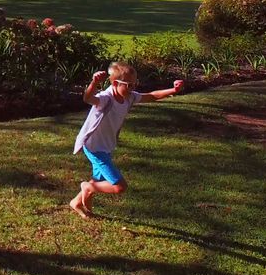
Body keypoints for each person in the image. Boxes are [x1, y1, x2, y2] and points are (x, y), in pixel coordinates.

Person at [68, 61, 183, 219]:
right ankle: (87, 188)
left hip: (106, 147)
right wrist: (94, 82)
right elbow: (88, 98)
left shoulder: (129, 98)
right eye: (128, 85)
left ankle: (76, 202)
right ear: (115, 83)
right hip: (94, 147)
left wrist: (174, 90)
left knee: (98, 179)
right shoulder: (105, 98)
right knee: (119, 187)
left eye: (134, 84)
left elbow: (151, 96)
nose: (132, 88)